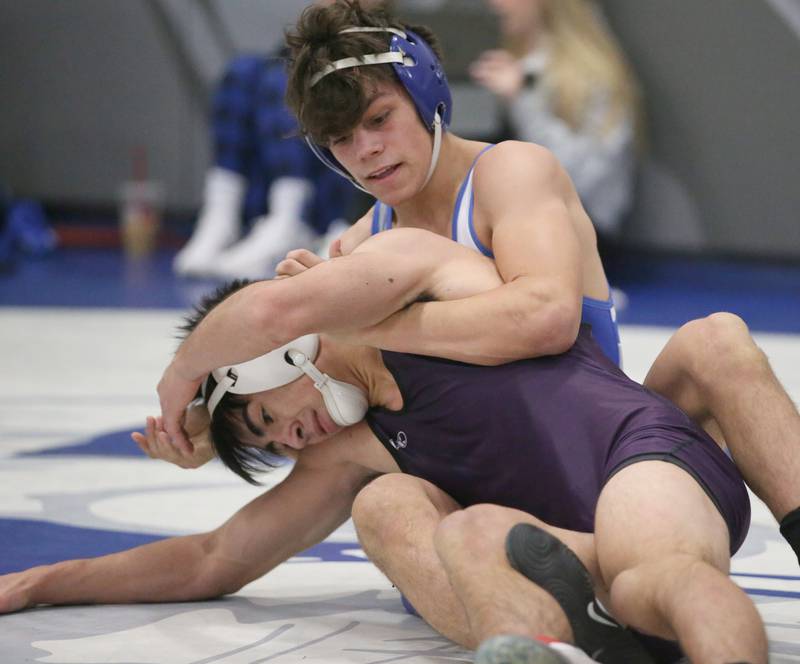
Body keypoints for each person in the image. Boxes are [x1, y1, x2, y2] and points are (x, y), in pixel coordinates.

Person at [0, 227, 766, 664]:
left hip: (644, 462)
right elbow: (213, 558)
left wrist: (185, 378)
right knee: (417, 514)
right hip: (578, 539)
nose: (294, 439)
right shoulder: (355, 450)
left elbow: (279, 306)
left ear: (270, 357)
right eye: (274, 447)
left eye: (267, 419)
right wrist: (40, 584)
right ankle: (554, 644)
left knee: (657, 579)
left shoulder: (413, 280)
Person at [172, 50, 355, 280]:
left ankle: (291, 219)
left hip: (324, 199)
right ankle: (222, 215)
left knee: (281, 81)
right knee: (240, 73)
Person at [471, 0, 644, 237]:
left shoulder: (589, 74)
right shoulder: (481, 63)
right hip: (493, 231)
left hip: (580, 237)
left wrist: (521, 99)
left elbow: (587, 180)